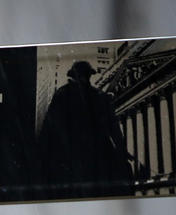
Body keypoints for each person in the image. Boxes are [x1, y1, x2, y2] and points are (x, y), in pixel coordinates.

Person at [39, 61, 134, 197]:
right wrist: (122, 151)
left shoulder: (62, 94)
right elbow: (114, 128)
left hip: (72, 157)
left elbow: (49, 128)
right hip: (96, 157)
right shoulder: (100, 96)